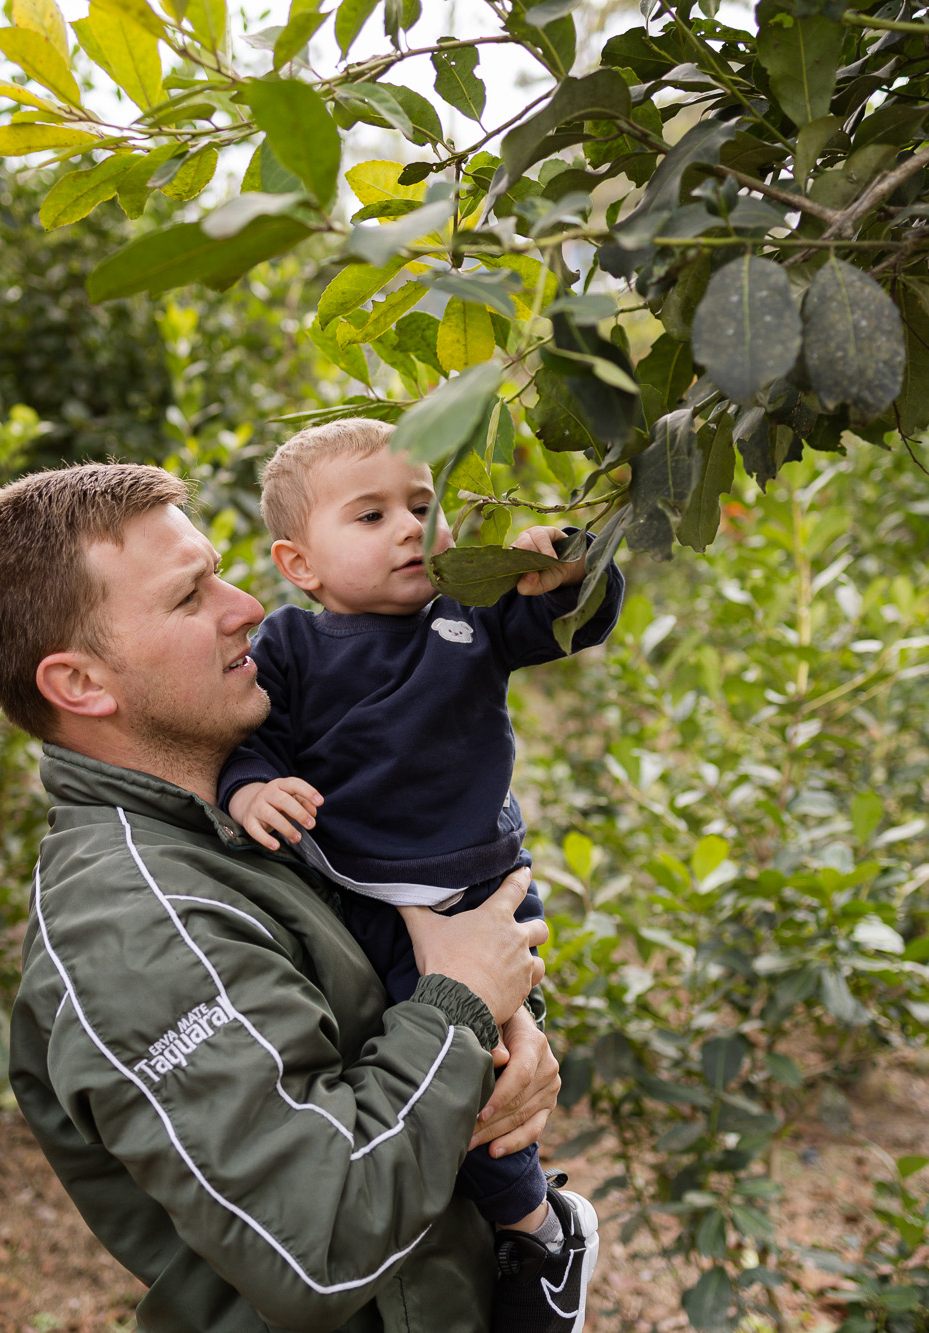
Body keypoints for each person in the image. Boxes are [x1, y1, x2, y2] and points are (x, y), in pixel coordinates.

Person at [0, 462, 564, 1333]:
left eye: (222, 573)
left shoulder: (240, 823)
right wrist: (461, 1010)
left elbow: (385, 1014)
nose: (245, 607)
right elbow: (318, 1244)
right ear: (81, 683)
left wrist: (503, 1038)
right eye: (190, 595)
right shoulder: (136, 924)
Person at [217, 419, 621, 1331]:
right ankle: (475, 1235)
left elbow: (572, 613)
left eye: (422, 507)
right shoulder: (289, 647)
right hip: (361, 897)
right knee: (398, 1075)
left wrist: (565, 562)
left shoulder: (467, 618)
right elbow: (255, 746)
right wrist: (252, 791)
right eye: (371, 515)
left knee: (484, 1074)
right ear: (299, 562)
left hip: (480, 895)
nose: (410, 528)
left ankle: (542, 1237)